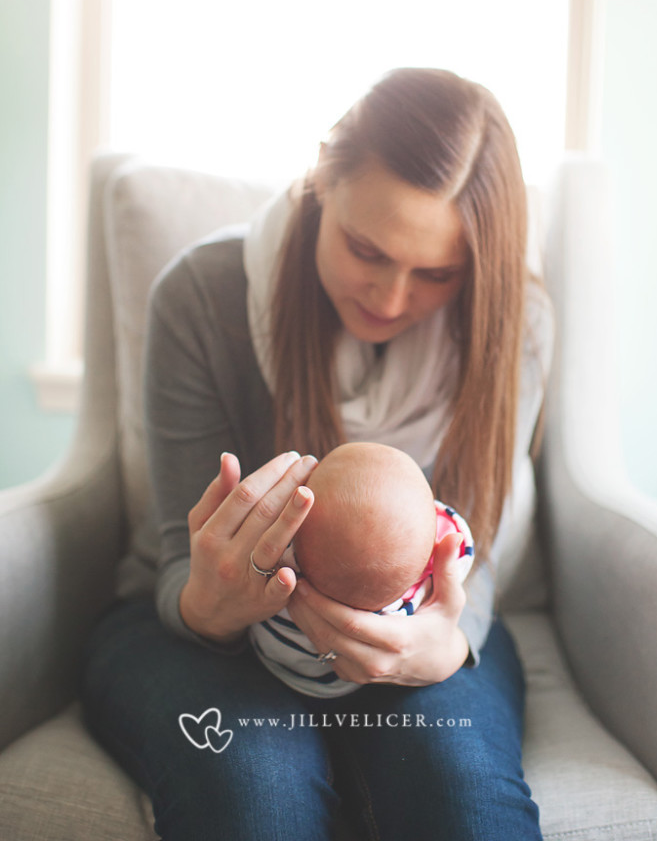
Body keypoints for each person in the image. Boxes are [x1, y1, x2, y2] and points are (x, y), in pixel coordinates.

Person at [81, 67, 553, 841]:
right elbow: (174, 560)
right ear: (321, 180)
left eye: (436, 273)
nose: (391, 298)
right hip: (188, 634)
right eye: (366, 249)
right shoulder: (203, 297)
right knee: (255, 798)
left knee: (464, 805)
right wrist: (210, 605)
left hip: (415, 630)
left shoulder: (515, 328)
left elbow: (479, 550)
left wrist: (446, 642)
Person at [249, 441, 475, 696]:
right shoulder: (412, 600)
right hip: (383, 682)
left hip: (276, 663)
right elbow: (458, 548)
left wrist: (456, 647)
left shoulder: (279, 563)